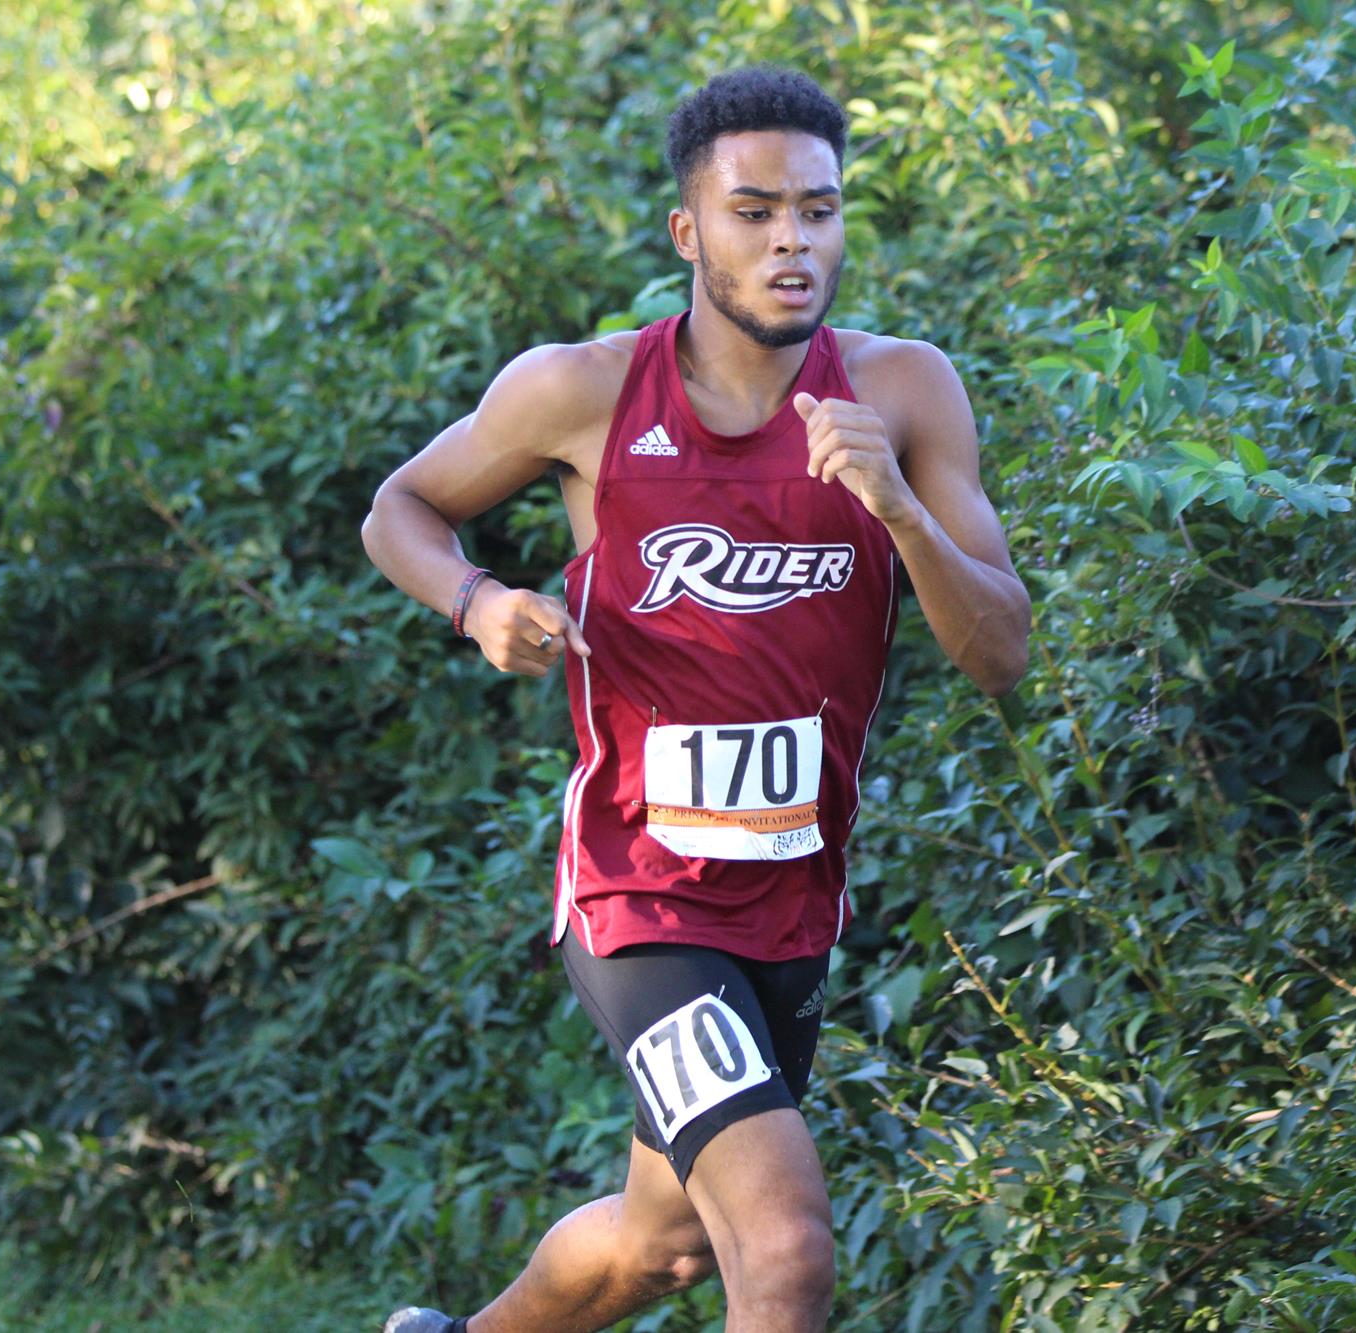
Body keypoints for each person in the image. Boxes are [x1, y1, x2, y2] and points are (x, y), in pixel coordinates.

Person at [361, 63, 1029, 1333]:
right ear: (688, 231)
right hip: (638, 892)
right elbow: (398, 507)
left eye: (820, 211)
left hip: (789, 896)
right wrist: (474, 601)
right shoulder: (587, 391)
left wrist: (895, 509)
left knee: (658, 1247)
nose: (792, 241)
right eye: (755, 210)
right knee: (780, 1250)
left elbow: (999, 653)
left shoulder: (901, 394)